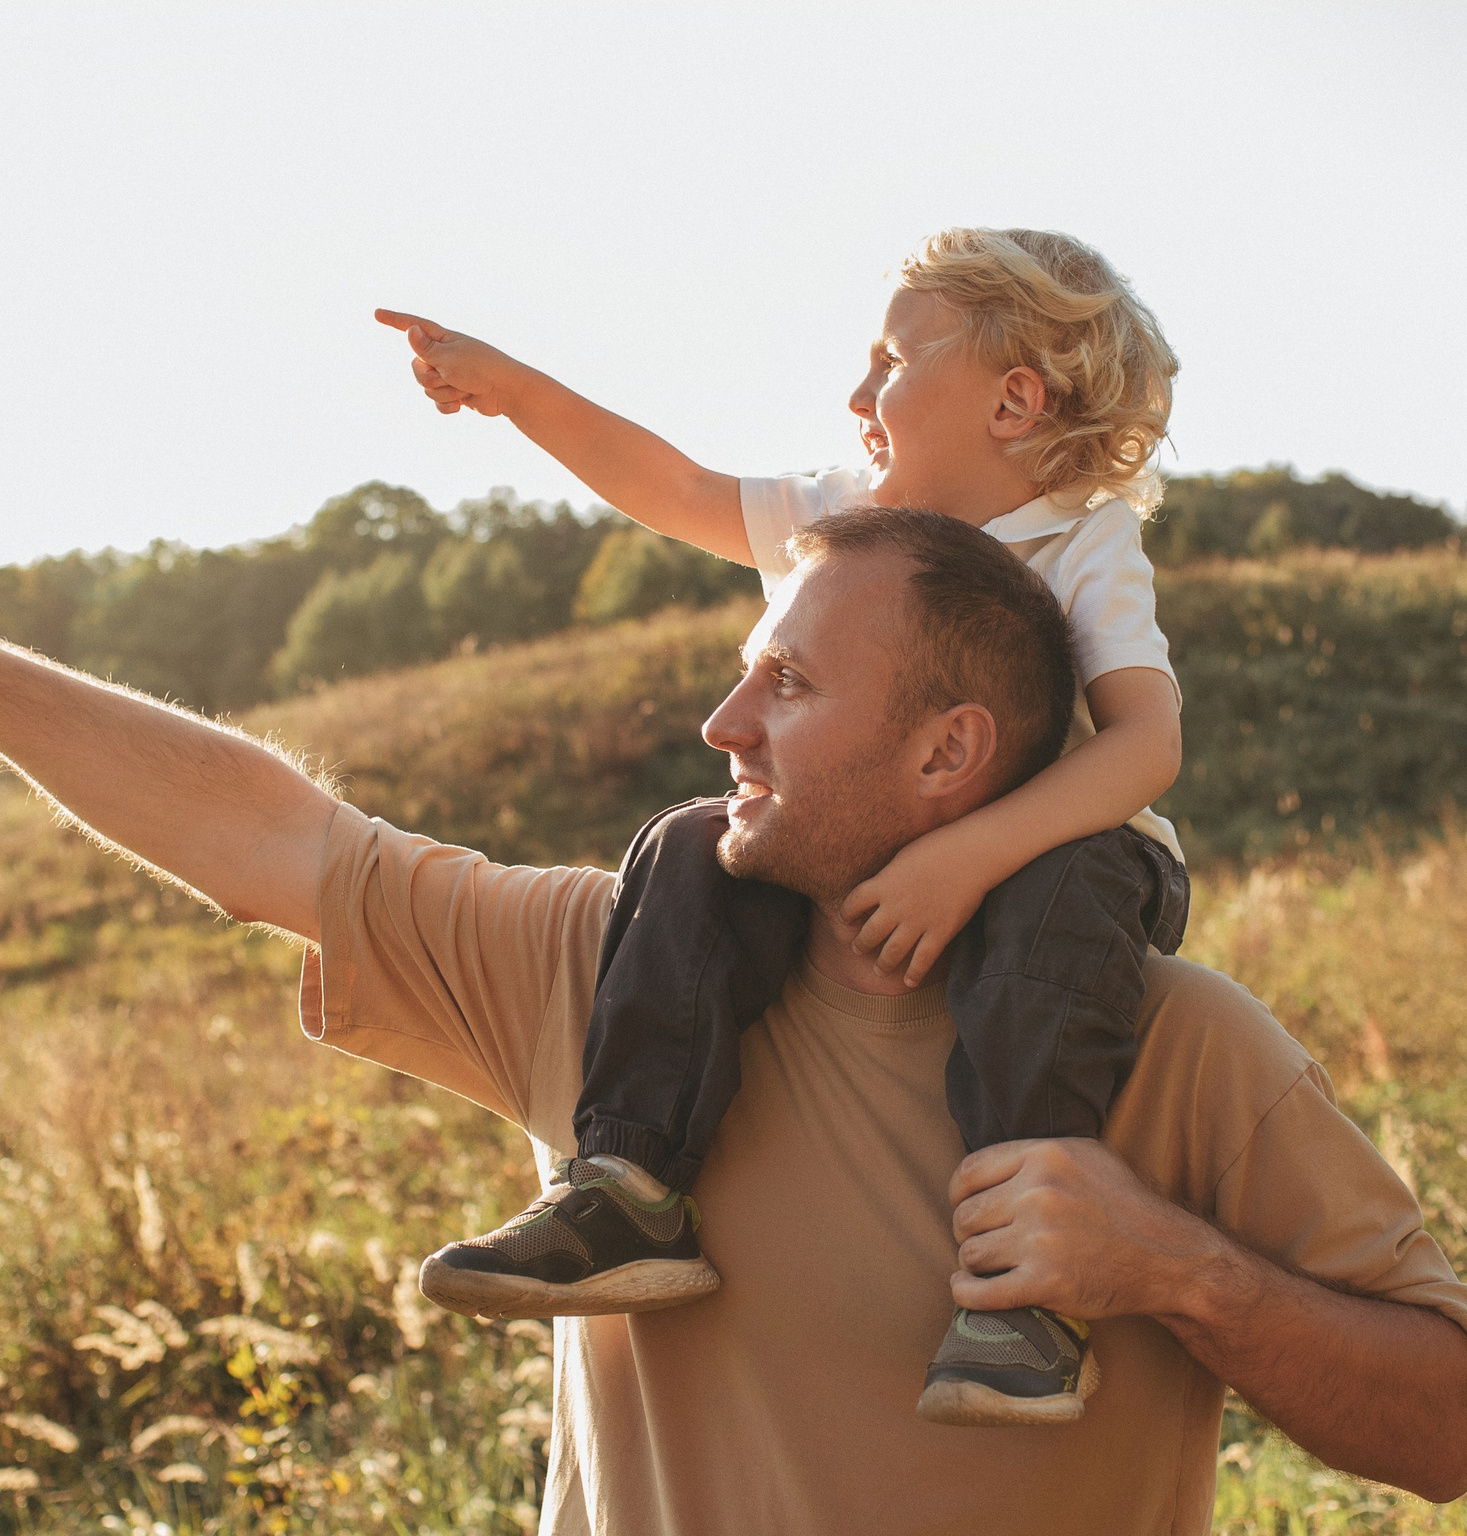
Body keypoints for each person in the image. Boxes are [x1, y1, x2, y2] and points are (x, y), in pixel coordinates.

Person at [0, 503, 1467, 1536]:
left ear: (953, 753)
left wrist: (1177, 1266)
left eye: (788, 682)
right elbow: (270, 836)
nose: (724, 721)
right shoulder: (621, 980)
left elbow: (1442, 1424)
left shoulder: (1179, 1049)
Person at [379, 228, 1188, 1427]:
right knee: (686, 843)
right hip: (860, 832)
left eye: (894, 362)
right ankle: (632, 1184)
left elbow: (1143, 745)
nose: (857, 395)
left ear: (1015, 401)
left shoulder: (1083, 539)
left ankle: (1026, 1291)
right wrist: (512, 390)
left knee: (1058, 902)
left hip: (1054, 856)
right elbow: (674, 488)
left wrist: (970, 854)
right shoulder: (847, 514)